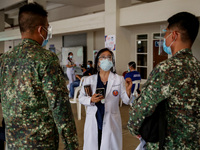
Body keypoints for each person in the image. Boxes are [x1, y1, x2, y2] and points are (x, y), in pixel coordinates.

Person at [0, 3, 78, 149]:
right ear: (40, 29)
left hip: (13, 142)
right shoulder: (46, 59)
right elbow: (59, 105)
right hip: (41, 143)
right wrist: (71, 144)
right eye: (47, 27)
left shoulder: (4, 60)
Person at [127, 12, 200, 149]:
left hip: (169, 144)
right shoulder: (197, 67)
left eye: (166, 33)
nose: (164, 38)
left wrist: (134, 129)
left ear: (174, 35)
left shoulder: (167, 69)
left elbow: (142, 107)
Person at [79, 48, 132, 150]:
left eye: (109, 57)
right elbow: (81, 98)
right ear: (98, 62)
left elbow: (126, 100)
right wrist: (91, 100)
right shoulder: (89, 80)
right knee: (94, 144)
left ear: (112, 61)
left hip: (111, 121)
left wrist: (128, 91)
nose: (106, 59)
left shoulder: (119, 79)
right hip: (94, 120)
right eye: (103, 57)